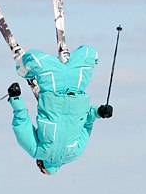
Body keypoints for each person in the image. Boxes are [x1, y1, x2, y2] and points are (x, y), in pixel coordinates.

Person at [7, 45, 113, 175]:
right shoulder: (38, 152)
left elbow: (87, 124)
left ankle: (64, 62)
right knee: (34, 59)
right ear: (40, 165)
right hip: (67, 90)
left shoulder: (74, 154)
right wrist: (15, 97)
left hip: (66, 92)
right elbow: (21, 125)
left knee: (89, 53)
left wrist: (98, 113)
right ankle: (24, 69)